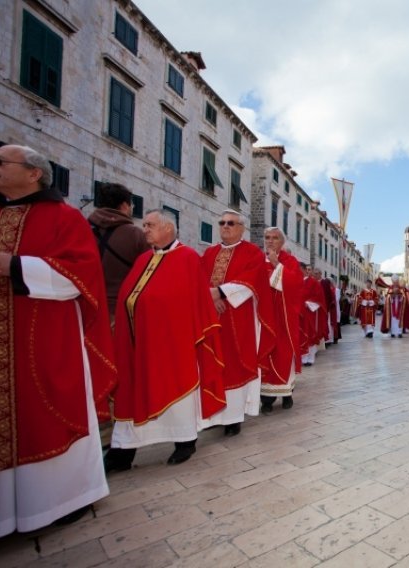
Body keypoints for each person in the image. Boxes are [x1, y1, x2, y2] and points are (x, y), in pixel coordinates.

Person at [0, 144, 116, 535]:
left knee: (50, 408)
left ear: (34, 173)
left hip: (45, 335)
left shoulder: (65, 217)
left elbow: (83, 275)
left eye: (3, 162)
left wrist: (13, 265)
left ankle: (65, 497)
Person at [105, 209, 226, 470]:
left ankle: (184, 441)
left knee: (176, 388)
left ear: (167, 229)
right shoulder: (142, 260)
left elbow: (191, 301)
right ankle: (122, 451)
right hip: (137, 341)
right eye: (144, 224)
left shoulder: (187, 257)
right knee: (131, 389)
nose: (144, 228)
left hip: (173, 342)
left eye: (149, 225)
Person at [201, 210, 273, 437]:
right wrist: (210, 300)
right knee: (211, 361)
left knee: (235, 362)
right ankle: (213, 413)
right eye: (222, 222)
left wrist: (220, 293)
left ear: (242, 228)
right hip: (210, 317)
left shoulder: (252, 252)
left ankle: (233, 417)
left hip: (238, 317)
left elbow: (251, 281)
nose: (225, 226)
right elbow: (196, 280)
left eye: (231, 223)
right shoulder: (209, 252)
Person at [87, 183, 148, 317]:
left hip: (87, 306)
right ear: (125, 206)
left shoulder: (83, 229)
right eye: (131, 204)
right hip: (119, 311)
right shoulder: (136, 235)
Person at [260, 227, 303, 412]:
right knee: (264, 355)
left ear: (282, 242)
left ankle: (287, 394)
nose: (270, 241)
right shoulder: (257, 261)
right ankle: (266, 399)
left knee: (283, 355)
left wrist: (277, 264)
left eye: (274, 238)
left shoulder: (290, 261)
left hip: (283, 318)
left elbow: (295, 284)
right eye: (267, 238)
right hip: (263, 318)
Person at [299, 264, 325, 366]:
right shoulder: (297, 281)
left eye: (300, 270)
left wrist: (308, 303)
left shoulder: (314, 283)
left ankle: (310, 357)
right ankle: (302, 357)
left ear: (306, 271)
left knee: (310, 334)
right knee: (301, 334)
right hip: (299, 313)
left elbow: (319, 298)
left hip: (310, 313)